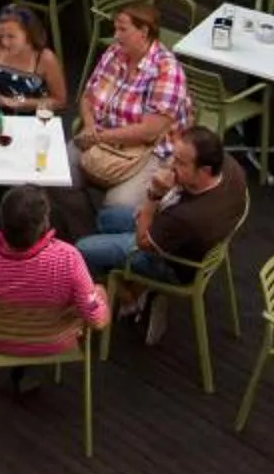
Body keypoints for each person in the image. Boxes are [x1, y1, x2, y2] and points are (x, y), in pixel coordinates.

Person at [70, 126, 247, 326]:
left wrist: (154, 195)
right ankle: (132, 285)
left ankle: (130, 300)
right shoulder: (230, 167)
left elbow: (142, 242)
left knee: (81, 250)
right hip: (181, 235)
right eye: (174, 156)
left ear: (204, 170)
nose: (171, 166)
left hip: (174, 264)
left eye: (180, 163)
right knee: (106, 219)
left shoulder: (189, 217)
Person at [0, 182, 110, 338]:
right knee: (98, 291)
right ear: (45, 223)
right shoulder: (68, 258)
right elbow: (97, 319)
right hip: (53, 341)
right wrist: (99, 297)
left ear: (1, 220)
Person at [77, 1, 194, 206]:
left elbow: (149, 132)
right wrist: (88, 126)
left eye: (122, 29)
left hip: (152, 151)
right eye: (115, 28)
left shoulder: (166, 70)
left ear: (144, 31)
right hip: (104, 136)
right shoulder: (114, 54)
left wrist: (98, 136)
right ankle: (78, 223)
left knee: (117, 204)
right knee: (58, 173)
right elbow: (87, 97)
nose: (115, 35)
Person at [0, 2, 68, 116]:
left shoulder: (45, 59)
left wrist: (20, 103)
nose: (5, 42)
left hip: (24, 119)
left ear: (28, 33)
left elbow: (59, 101)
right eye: (1, 36)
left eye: (11, 37)